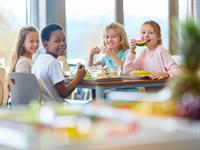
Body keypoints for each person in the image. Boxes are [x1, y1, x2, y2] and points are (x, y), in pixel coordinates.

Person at [32, 24, 86, 103]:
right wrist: (78, 77)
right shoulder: (53, 62)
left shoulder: (39, 60)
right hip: (56, 108)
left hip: (43, 107)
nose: (62, 43)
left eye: (63, 40)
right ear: (46, 44)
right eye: (57, 41)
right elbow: (64, 94)